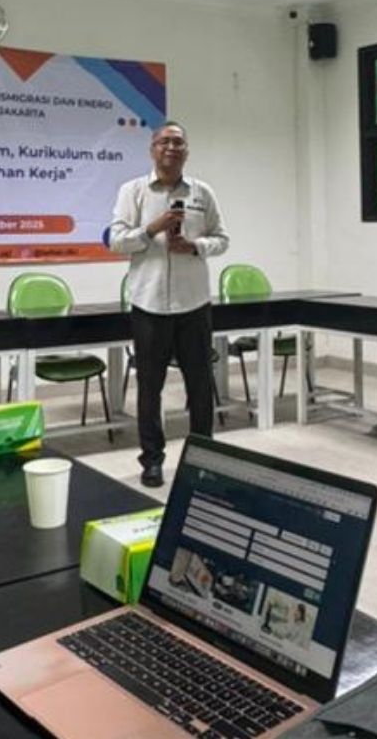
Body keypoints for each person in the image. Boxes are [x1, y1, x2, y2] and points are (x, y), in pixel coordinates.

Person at [109, 122, 229, 488]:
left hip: (194, 304)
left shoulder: (202, 192)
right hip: (149, 305)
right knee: (150, 388)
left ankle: (202, 460)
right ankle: (152, 460)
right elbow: (116, 241)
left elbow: (222, 239)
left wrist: (195, 246)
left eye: (178, 142)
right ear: (152, 149)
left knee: (200, 386)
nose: (171, 148)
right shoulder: (133, 191)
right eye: (164, 142)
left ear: (186, 151)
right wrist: (151, 229)